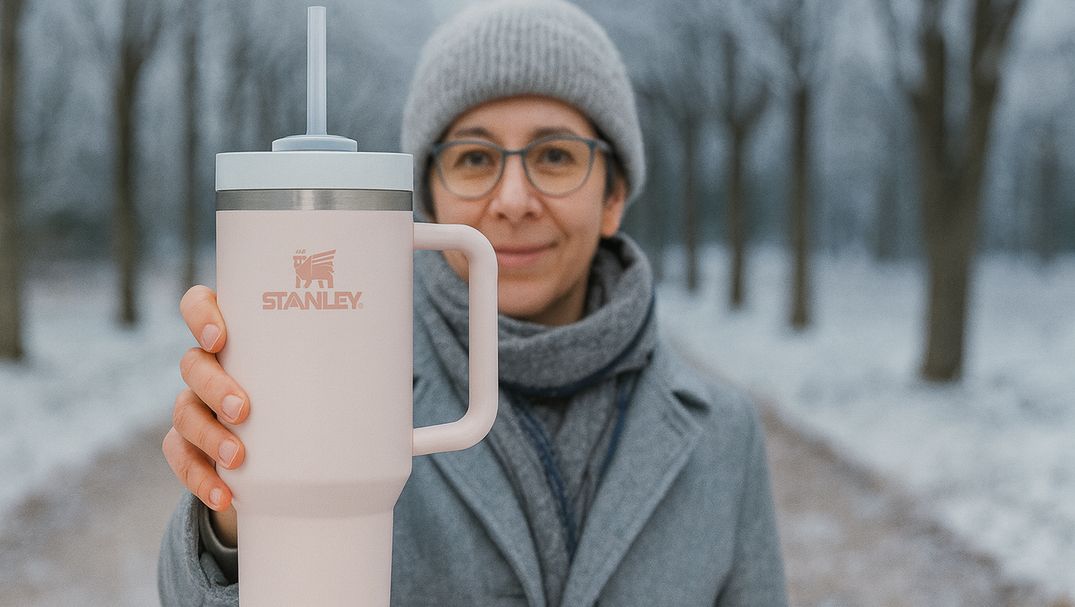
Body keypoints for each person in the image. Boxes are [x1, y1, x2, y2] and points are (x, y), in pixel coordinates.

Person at [158, 1, 787, 605]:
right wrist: (240, 518)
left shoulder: (724, 437)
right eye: (476, 158)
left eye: (556, 156)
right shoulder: (332, 396)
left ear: (615, 195)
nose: (513, 200)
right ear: (428, 198)